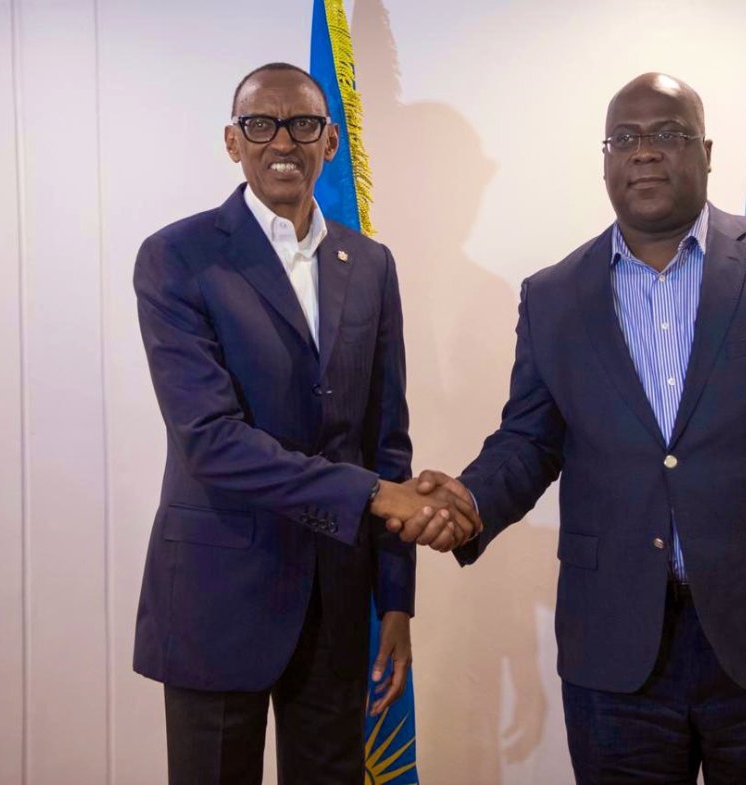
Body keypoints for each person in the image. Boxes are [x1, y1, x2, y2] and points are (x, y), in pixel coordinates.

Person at [393, 73, 746, 783]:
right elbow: (530, 439)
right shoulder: (554, 295)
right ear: (605, 160)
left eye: (668, 134)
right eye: (624, 138)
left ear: (707, 152)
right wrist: (468, 502)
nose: (645, 151)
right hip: (614, 649)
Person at [132, 62, 476, 785]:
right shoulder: (177, 257)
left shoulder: (371, 264)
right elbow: (211, 442)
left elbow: (386, 440)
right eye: (261, 124)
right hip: (216, 594)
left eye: (303, 124)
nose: (283, 141)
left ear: (329, 141)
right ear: (233, 141)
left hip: (337, 600)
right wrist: (373, 495)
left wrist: (396, 601)